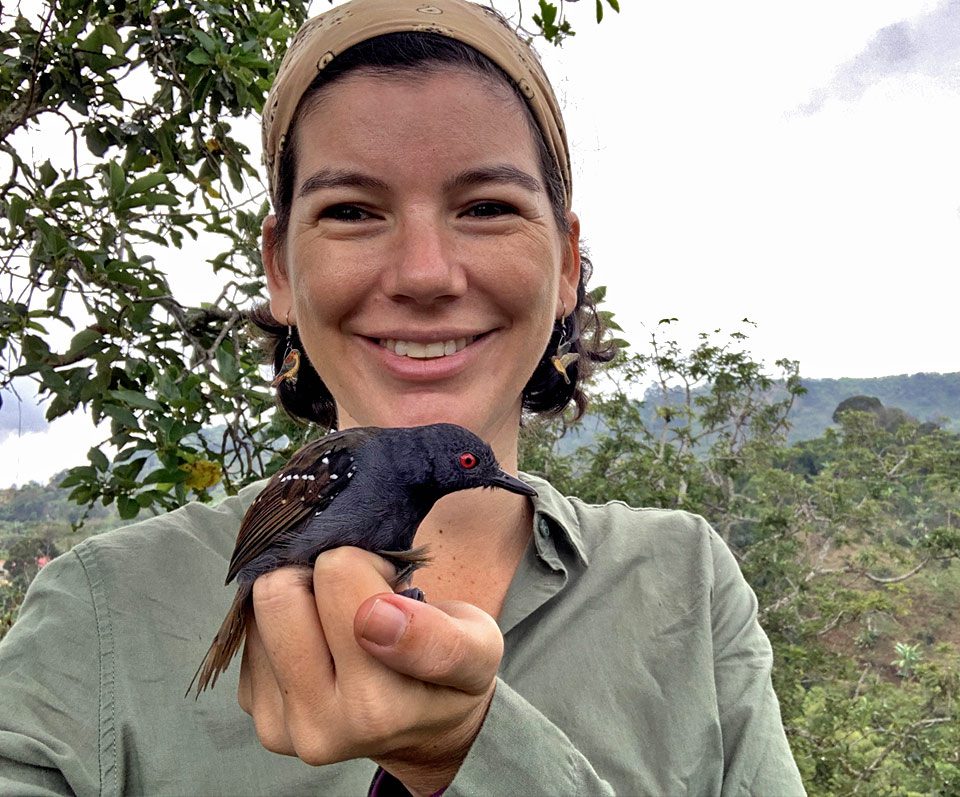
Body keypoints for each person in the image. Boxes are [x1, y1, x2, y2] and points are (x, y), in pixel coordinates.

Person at [0, 0, 806, 794]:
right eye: (351, 211)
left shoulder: (685, 585)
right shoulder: (99, 612)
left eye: (487, 208)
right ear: (280, 268)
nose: (424, 274)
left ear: (565, 261)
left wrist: (475, 753)